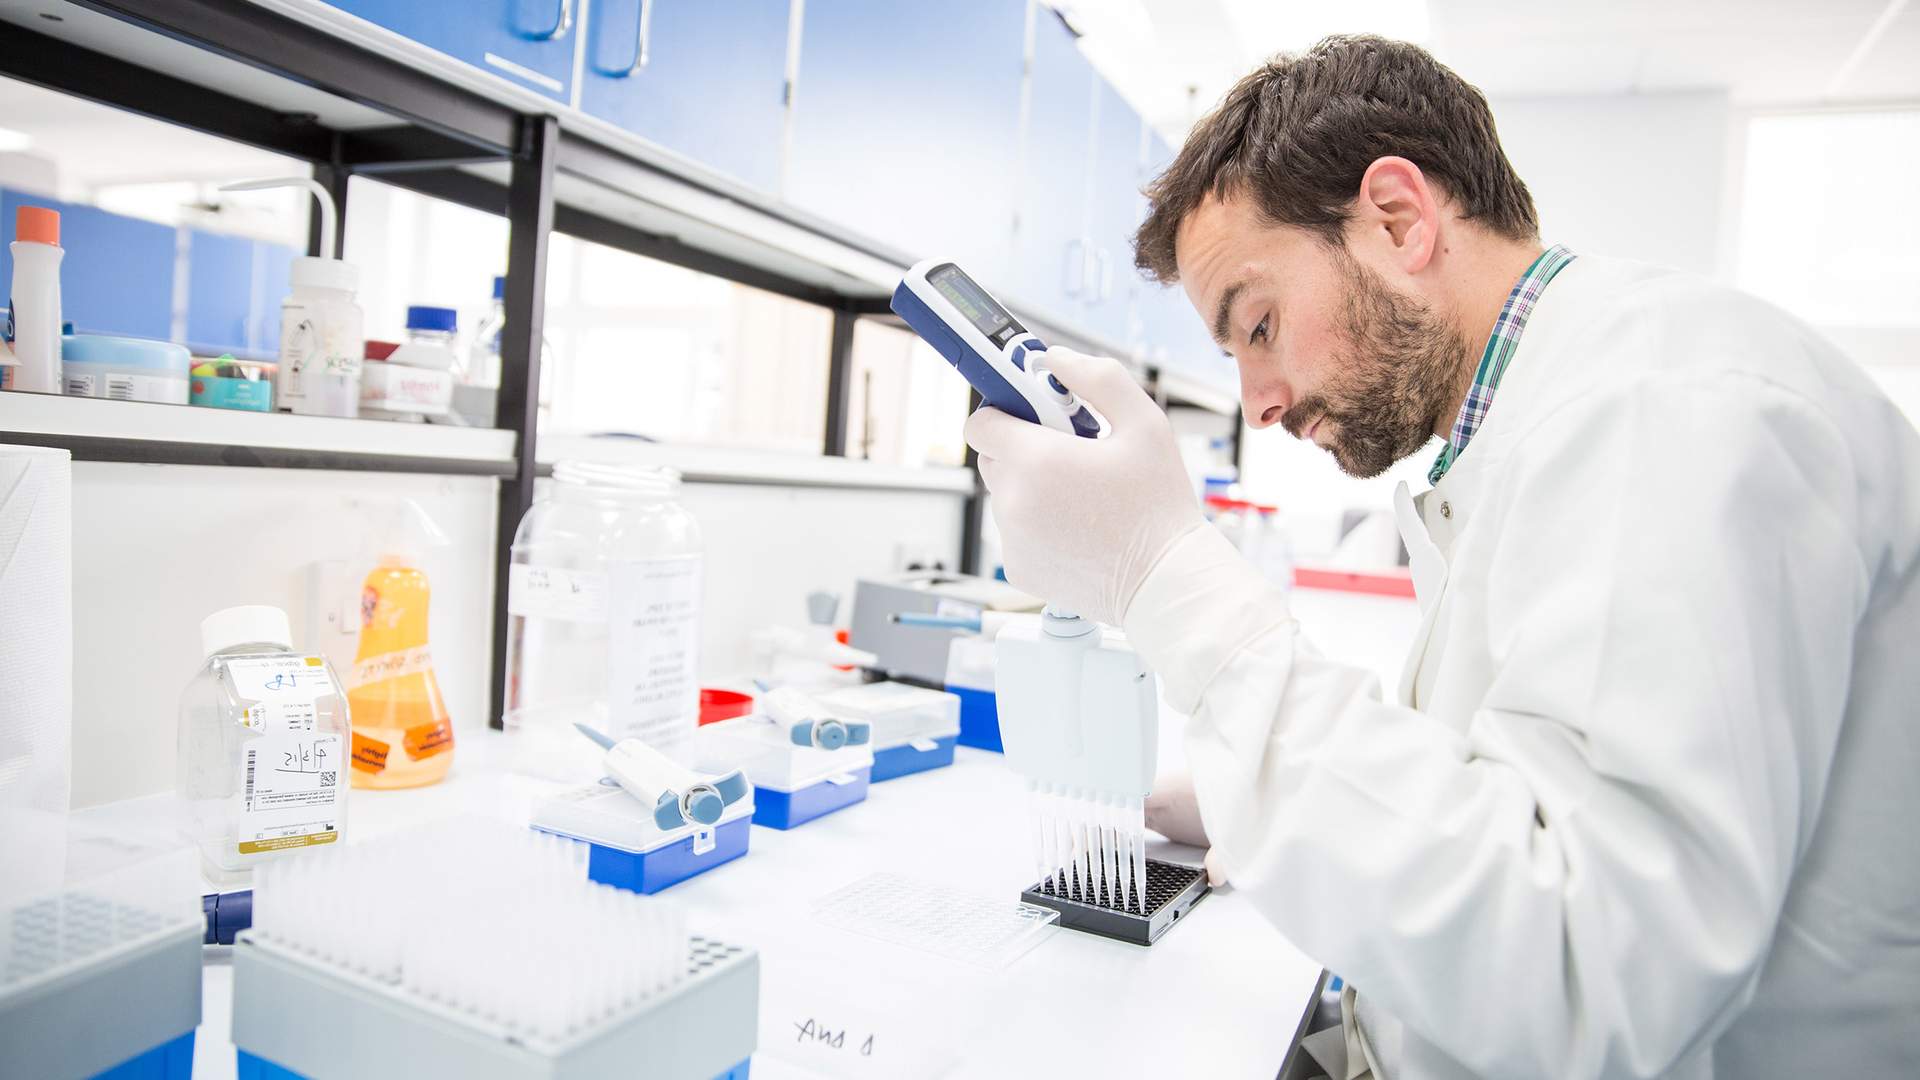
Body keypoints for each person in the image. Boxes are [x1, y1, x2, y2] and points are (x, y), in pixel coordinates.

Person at [965, 34, 1920, 1080]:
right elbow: (1522, 785)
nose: (1260, 400)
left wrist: (1163, 575)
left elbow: (1583, 974)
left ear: (1398, 220)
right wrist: (1254, 786)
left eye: (1262, 324)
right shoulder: (1548, 413)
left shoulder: (1665, 412)